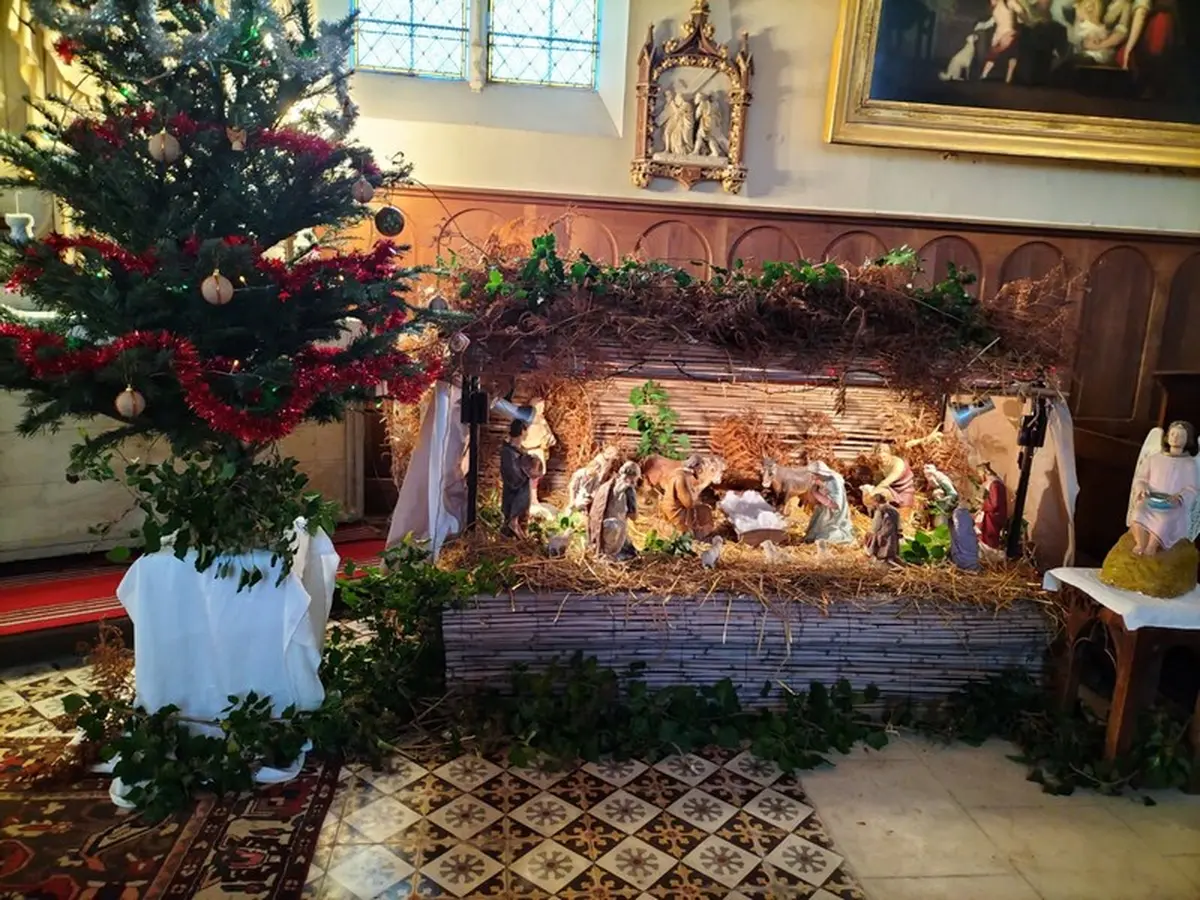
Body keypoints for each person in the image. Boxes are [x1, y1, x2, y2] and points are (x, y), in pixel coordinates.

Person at [1129, 420, 1200, 556]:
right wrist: (1142, 486)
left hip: (1173, 506)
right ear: (1167, 436)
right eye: (1172, 434)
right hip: (1150, 501)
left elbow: (1192, 488)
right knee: (1137, 513)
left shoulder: (1189, 464)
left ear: (1188, 440)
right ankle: (1140, 544)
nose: (1175, 437)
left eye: (1180, 435)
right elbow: (1141, 478)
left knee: (1163, 520)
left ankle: (1151, 547)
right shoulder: (1154, 459)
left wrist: (1180, 498)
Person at [588, 461, 641, 560]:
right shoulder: (628, 490)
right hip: (615, 532)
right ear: (633, 476)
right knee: (631, 557)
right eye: (636, 478)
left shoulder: (606, 486)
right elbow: (633, 516)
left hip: (599, 529)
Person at [660, 454, 715, 538]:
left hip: (670, 507)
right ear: (696, 466)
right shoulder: (681, 478)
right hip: (676, 511)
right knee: (706, 510)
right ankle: (701, 536)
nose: (700, 471)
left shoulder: (677, 472)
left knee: (703, 508)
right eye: (700, 468)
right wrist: (701, 488)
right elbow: (689, 503)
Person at [500, 420, 535, 539]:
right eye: (526, 431)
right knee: (511, 514)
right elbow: (511, 472)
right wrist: (523, 476)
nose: (527, 434)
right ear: (521, 431)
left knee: (522, 517)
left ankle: (518, 534)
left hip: (522, 488)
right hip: (514, 489)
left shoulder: (520, 450)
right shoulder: (508, 451)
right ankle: (512, 528)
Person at [863, 442, 916, 509]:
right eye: (879, 457)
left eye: (884, 457)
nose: (882, 459)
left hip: (903, 490)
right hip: (890, 489)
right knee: (875, 492)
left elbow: (886, 482)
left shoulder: (898, 464)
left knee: (880, 493)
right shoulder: (881, 464)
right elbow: (878, 479)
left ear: (889, 454)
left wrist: (872, 493)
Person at [863, 489, 901, 563]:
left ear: (876, 502)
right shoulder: (894, 510)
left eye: (873, 502)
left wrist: (875, 533)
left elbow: (876, 525)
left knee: (883, 547)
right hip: (891, 533)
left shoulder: (881, 511)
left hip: (884, 533)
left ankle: (882, 558)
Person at [977, 463, 1008, 550]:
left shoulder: (994, 484)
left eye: (980, 474)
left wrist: (983, 504)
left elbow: (995, 503)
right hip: (992, 513)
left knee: (990, 536)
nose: (980, 477)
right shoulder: (993, 483)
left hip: (994, 515)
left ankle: (991, 552)